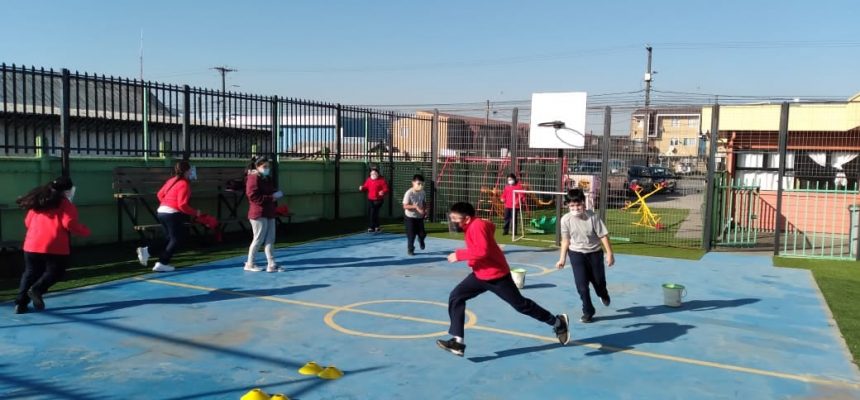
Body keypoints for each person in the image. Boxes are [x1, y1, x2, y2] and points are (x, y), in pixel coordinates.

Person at [436, 202, 569, 357]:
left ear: (466, 219)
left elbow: (482, 251)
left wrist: (459, 255)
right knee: (456, 296)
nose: (452, 222)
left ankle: (558, 322)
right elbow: (488, 232)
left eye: (455, 219)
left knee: (521, 305)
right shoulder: (472, 226)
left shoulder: (476, 226)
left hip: (497, 276)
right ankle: (457, 341)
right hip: (480, 274)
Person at [14, 176, 90, 314]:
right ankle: (37, 289)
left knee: (30, 273)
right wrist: (84, 231)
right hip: (54, 244)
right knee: (56, 272)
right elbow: (69, 224)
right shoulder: (65, 204)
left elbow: (27, 222)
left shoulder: (38, 201)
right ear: (67, 191)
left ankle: (20, 304)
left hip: (32, 243)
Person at [555, 188, 615, 323]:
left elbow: (603, 236)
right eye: (572, 205)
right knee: (582, 286)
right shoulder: (565, 220)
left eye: (578, 204)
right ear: (567, 206)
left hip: (594, 253)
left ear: (584, 203)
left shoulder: (593, 217)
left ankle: (603, 294)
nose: (575, 208)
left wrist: (609, 253)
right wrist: (562, 258)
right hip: (576, 254)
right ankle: (588, 311)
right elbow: (565, 240)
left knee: (599, 283)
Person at [142, 160, 204, 272]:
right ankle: (162, 262)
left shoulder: (171, 180)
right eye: (190, 170)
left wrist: (166, 203)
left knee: (169, 237)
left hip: (161, 212)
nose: (191, 172)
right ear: (187, 171)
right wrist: (196, 213)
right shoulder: (185, 184)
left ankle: (147, 251)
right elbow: (182, 205)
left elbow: (159, 194)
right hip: (171, 213)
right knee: (176, 239)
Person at [245, 157, 284, 272]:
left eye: (268, 166)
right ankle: (250, 263)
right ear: (257, 167)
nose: (267, 169)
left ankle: (271, 264)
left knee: (270, 239)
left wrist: (275, 193)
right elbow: (253, 196)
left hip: (269, 211)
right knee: (258, 239)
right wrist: (272, 197)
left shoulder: (266, 178)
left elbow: (270, 190)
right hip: (258, 213)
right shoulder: (253, 178)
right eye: (264, 167)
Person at [402, 174, 427, 256]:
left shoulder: (423, 192)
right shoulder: (409, 193)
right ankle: (410, 249)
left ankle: (421, 240)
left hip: (419, 217)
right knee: (411, 235)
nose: (420, 186)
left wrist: (425, 211)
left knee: (422, 234)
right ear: (413, 183)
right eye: (418, 184)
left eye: (422, 184)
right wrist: (416, 207)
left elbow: (424, 202)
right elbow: (405, 206)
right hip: (410, 217)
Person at [359, 167, 389, 233]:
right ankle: (377, 227)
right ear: (370, 174)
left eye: (375, 173)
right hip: (370, 199)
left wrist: (382, 192)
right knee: (373, 213)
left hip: (378, 200)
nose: (373, 174)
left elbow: (386, 189)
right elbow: (365, 187)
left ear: (378, 174)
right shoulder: (368, 180)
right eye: (372, 173)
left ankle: (371, 227)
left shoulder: (382, 180)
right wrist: (362, 188)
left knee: (373, 212)